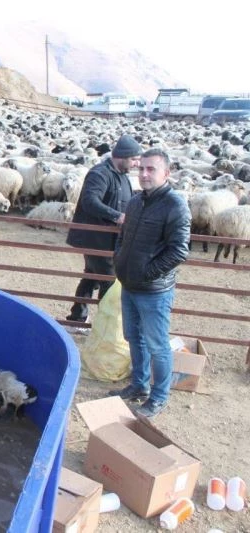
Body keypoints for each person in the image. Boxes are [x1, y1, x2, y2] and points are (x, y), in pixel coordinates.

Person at [109, 148, 190, 418]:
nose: (143, 174)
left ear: (166, 173)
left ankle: (158, 396)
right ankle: (139, 386)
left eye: (150, 169)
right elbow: (123, 235)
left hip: (154, 291)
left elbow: (179, 251)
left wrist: (146, 273)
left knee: (157, 345)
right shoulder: (135, 201)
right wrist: (119, 258)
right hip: (130, 285)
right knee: (134, 337)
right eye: (141, 168)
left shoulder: (175, 206)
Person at [65, 134, 142, 323]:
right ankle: (105, 323)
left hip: (110, 240)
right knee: (109, 280)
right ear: (122, 156)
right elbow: (90, 201)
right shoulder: (100, 173)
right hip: (96, 238)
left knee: (91, 276)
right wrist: (117, 216)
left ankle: (77, 316)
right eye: (133, 159)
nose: (135, 164)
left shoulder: (122, 177)